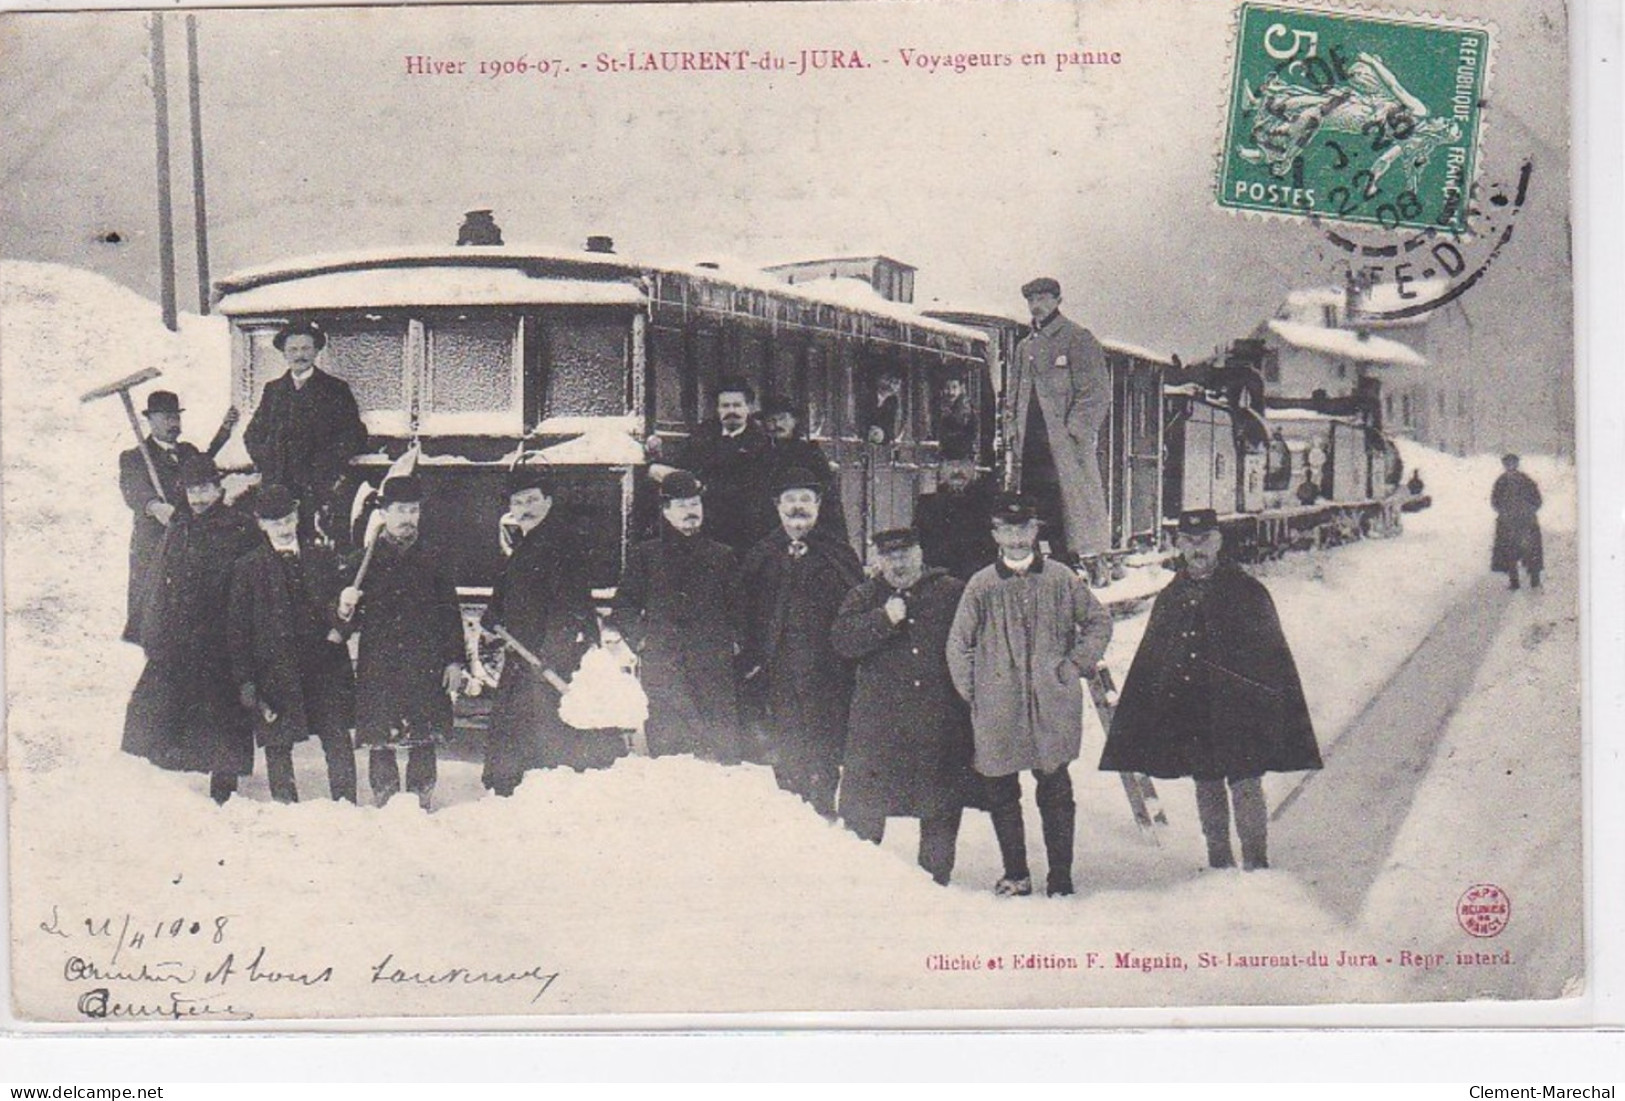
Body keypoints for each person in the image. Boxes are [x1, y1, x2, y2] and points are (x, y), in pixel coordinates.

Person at [1099, 510, 1322, 871]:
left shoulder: (1248, 591)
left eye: (1204, 540)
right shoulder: (1172, 596)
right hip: (1196, 708)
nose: (1196, 549)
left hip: (1239, 710)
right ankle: (1219, 861)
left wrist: (1262, 706)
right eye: (1188, 541)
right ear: (1179, 545)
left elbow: (1271, 658)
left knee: (1246, 782)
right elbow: (1156, 657)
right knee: (1206, 781)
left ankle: (1256, 862)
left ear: (1218, 541)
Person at [947, 495, 1112, 897]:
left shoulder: (1060, 579)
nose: (1016, 538)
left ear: (1036, 531)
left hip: (1052, 703)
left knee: (1055, 786)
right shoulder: (981, 584)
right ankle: (1016, 873)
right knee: (1002, 790)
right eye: (1007, 529)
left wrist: (1074, 665)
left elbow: (1098, 622)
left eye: (1024, 529)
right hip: (997, 707)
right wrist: (976, 693)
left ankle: (1060, 876)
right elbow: (958, 644)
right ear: (995, 535)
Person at [832, 528, 975, 885]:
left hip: (937, 721)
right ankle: (861, 883)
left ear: (920, 554)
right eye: (889, 556)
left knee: (940, 808)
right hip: (879, 726)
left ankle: (936, 883)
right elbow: (842, 642)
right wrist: (884, 619)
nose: (898, 563)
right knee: (864, 811)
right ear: (878, 560)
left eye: (905, 554)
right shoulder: (864, 596)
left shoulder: (952, 593)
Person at [122, 455, 259, 804]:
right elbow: (158, 583)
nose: (198, 498)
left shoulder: (240, 529)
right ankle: (158, 793)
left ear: (218, 488)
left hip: (222, 641)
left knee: (224, 716)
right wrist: (153, 632)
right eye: (192, 490)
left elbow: (251, 587)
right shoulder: (180, 527)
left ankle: (224, 792)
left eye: (204, 489)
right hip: (179, 640)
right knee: (153, 713)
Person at [740, 467, 864, 817]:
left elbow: (855, 606)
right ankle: (792, 812)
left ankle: (823, 810)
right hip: (777, 667)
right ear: (778, 507)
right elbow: (743, 607)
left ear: (819, 505)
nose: (798, 507)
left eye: (806, 500)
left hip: (827, 667)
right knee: (785, 739)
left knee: (824, 741)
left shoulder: (838, 553)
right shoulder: (762, 553)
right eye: (790, 500)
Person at [340, 474, 465, 810]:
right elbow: (343, 620)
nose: (408, 517)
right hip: (380, 662)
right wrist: (344, 604)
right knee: (381, 737)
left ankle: (422, 798)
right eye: (400, 510)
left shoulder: (434, 558)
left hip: (426, 660)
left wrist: (455, 661)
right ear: (385, 513)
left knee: (424, 735)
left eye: (413, 510)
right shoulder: (364, 561)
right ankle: (385, 797)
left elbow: (450, 614)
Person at [227, 485, 358, 804]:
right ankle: (286, 809)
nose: (284, 528)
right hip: (275, 669)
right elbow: (238, 629)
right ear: (261, 524)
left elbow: (342, 608)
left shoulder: (321, 557)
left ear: (297, 516)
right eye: (275, 522)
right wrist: (246, 679)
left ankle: (346, 807)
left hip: (324, 665)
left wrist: (341, 621)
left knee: (337, 739)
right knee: (278, 745)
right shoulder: (248, 568)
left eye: (287, 519)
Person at [480, 462, 603, 793]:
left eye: (532, 500)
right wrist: (493, 615)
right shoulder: (525, 545)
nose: (525, 509)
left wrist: (553, 657)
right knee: (519, 739)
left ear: (549, 501)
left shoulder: (562, 542)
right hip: (526, 658)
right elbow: (509, 593)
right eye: (518, 503)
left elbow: (571, 605)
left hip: (550, 661)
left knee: (551, 741)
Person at [612, 470, 744, 763]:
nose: (691, 512)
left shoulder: (722, 556)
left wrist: (734, 642)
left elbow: (740, 608)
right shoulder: (646, 556)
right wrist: (643, 640)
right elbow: (623, 606)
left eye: (695, 504)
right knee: (670, 758)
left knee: (718, 759)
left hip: (712, 671)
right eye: (683, 505)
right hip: (663, 669)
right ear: (666, 510)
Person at [1005, 277, 1112, 573]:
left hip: (1063, 449)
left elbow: (1097, 392)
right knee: (1031, 509)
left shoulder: (1077, 339)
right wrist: (1011, 429)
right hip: (1030, 447)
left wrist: (1075, 431)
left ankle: (1067, 566)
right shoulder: (1023, 347)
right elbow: (1011, 397)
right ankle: (1034, 566)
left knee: (1068, 511)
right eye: (1031, 301)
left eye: (1042, 299)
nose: (1036, 306)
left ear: (1057, 300)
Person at [119, 390, 238, 643]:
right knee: (154, 612)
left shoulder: (187, 451)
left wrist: (224, 432)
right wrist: (154, 506)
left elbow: (203, 465)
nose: (173, 424)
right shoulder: (134, 457)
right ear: (150, 421)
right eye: (165, 418)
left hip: (187, 539)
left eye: (176, 418)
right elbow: (133, 489)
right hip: (155, 542)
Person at [244, 321, 369, 548]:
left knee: (315, 547)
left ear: (316, 351)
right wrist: (269, 462)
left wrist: (329, 466)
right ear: (284, 353)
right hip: (280, 487)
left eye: (305, 348)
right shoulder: (273, 390)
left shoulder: (334, 389)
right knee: (278, 544)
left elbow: (355, 434)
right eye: (293, 349)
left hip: (319, 488)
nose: (299, 355)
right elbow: (252, 434)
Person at [651, 377, 775, 553]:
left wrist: (703, 486)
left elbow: (754, 491)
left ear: (749, 407)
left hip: (741, 526)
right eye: (725, 406)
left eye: (737, 405)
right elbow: (679, 462)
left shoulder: (762, 443)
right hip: (699, 521)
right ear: (717, 409)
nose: (731, 410)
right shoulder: (704, 433)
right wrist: (659, 465)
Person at [761, 394, 848, 544]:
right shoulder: (760, 454)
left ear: (794, 421)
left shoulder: (809, 453)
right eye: (771, 420)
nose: (777, 425)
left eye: (782, 418)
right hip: (769, 525)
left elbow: (828, 497)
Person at [915, 458, 998, 581]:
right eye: (950, 464)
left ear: (973, 467)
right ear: (941, 470)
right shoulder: (926, 506)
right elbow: (918, 546)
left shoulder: (989, 505)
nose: (957, 470)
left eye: (963, 464)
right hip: (937, 582)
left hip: (980, 580)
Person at [1491, 453, 1544, 590]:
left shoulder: (1526, 480)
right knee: (1510, 552)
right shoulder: (1501, 481)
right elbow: (1495, 501)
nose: (1510, 466)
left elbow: (1537, 499)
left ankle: (1535, 580)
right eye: (1507, 464)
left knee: (1531, 550)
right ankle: (1514, 582)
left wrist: (1529, 511)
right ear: (1504, 466)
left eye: (1512, 463)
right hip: (1508, 523)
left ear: (1517, 464)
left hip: (1526, 521)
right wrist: (1504, 512)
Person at [936, 375, 979, 462]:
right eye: (947, 388)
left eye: (954, 387)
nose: (951, 392)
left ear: (961, 389)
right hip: (946, 456)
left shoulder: (965, 408)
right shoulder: (942, 406)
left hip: (962, 456)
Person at [866, 370, 904, 445]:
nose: (898, 387)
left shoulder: (893, 401)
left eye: (898, 383)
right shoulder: (869, 397)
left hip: (887, 441)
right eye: (895, 383)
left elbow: (895, 421)